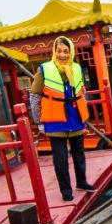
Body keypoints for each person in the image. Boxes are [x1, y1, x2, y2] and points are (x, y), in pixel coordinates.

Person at [28, 36, 94, 202]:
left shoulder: (77, 68)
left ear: (70, 52)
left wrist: (84, 113)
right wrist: (39, 121)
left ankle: (82, 181)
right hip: (55, 119)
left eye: (66, 51)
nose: (62, 55)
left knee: (79, 154)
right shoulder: (44, 69)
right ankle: (66, 190)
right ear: (54, 52)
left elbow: (81, 92)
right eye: (59, 51)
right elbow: (35, 96)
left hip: (75, 117)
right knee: (61, 159)